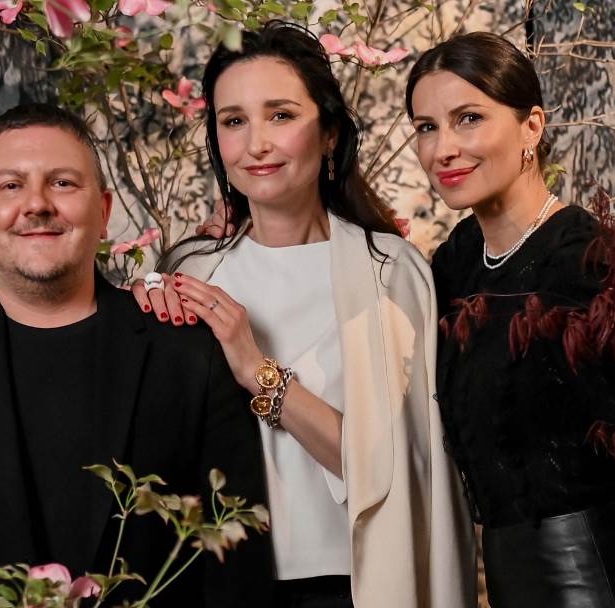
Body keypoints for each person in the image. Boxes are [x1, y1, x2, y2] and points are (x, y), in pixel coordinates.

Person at [0, 103, 274, 607]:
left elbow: (237, 569)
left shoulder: (189, 353)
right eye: (11, 185)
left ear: (103, 212)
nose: (36, 204)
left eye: (62, 183)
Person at [132, 21, 474, 608]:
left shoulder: (389, 271)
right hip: (216, 585)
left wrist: (257, 369)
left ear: (329, 134)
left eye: (281, 115)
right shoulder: (191, 270)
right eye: (233, 121)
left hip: (350, 585)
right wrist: (134, 309)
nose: (256, 144)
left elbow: (396, 474)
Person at [407, 32, 615, 607]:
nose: (443, 149)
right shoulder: (457, 264)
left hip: (603, 584)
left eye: (468, 119)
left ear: (531, 126)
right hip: (510, 583)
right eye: (426, 127)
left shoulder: (589, 260)